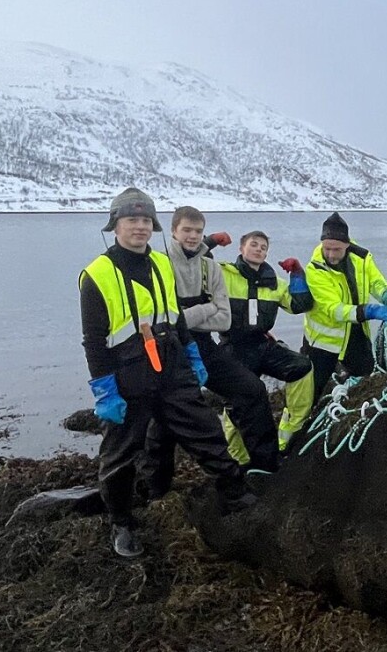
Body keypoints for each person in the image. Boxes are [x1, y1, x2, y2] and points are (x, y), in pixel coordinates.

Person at [79, 188, 253, 558]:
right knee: (121, 455)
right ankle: (122, 523)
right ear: (115, 226)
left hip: (172, 366)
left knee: (205, 430)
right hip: (128, 375)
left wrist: (192, 354)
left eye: (145, 220)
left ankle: (234, 493)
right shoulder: (96, 275)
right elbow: (93, 341)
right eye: (132, 220)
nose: (140, 227)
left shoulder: (161, 263)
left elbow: (175, 316)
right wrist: (105, 390)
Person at [141, 207, 280, 501]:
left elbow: (224, 320)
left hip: (203, 345)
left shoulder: (210, 267)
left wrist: (186, 315)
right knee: (164, 418)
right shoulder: (158, 264)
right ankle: (156, 488)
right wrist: (206, 309)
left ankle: (264, 465)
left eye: (198, 231)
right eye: (186, 230)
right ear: (174, 231)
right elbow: (161, 320)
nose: (192, 236)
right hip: (169, 349)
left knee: (252, 389)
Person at [218, 230, 315, 453]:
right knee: (236, 404)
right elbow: (195, 270)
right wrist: (211, 242)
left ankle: (289, 434)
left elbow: (300, 305)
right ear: (241, 248)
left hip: (262, 344)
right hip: (233, 346)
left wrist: (297, 275)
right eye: (253, 244)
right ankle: (237, 457)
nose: (258, 249)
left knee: (302, 367)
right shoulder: (224, 273)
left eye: (263, 247)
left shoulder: (275, 283)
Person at [303, 212, 387, 402]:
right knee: (314, 396)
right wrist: (369, 311)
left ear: (347, 244)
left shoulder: (362, 258)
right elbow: (334, 310)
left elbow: (375, 282)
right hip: (324, 346)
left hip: (357, 337)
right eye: (327, 248)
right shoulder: (315, 270)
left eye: (336, 249)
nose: (331, 254)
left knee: (364, 389)